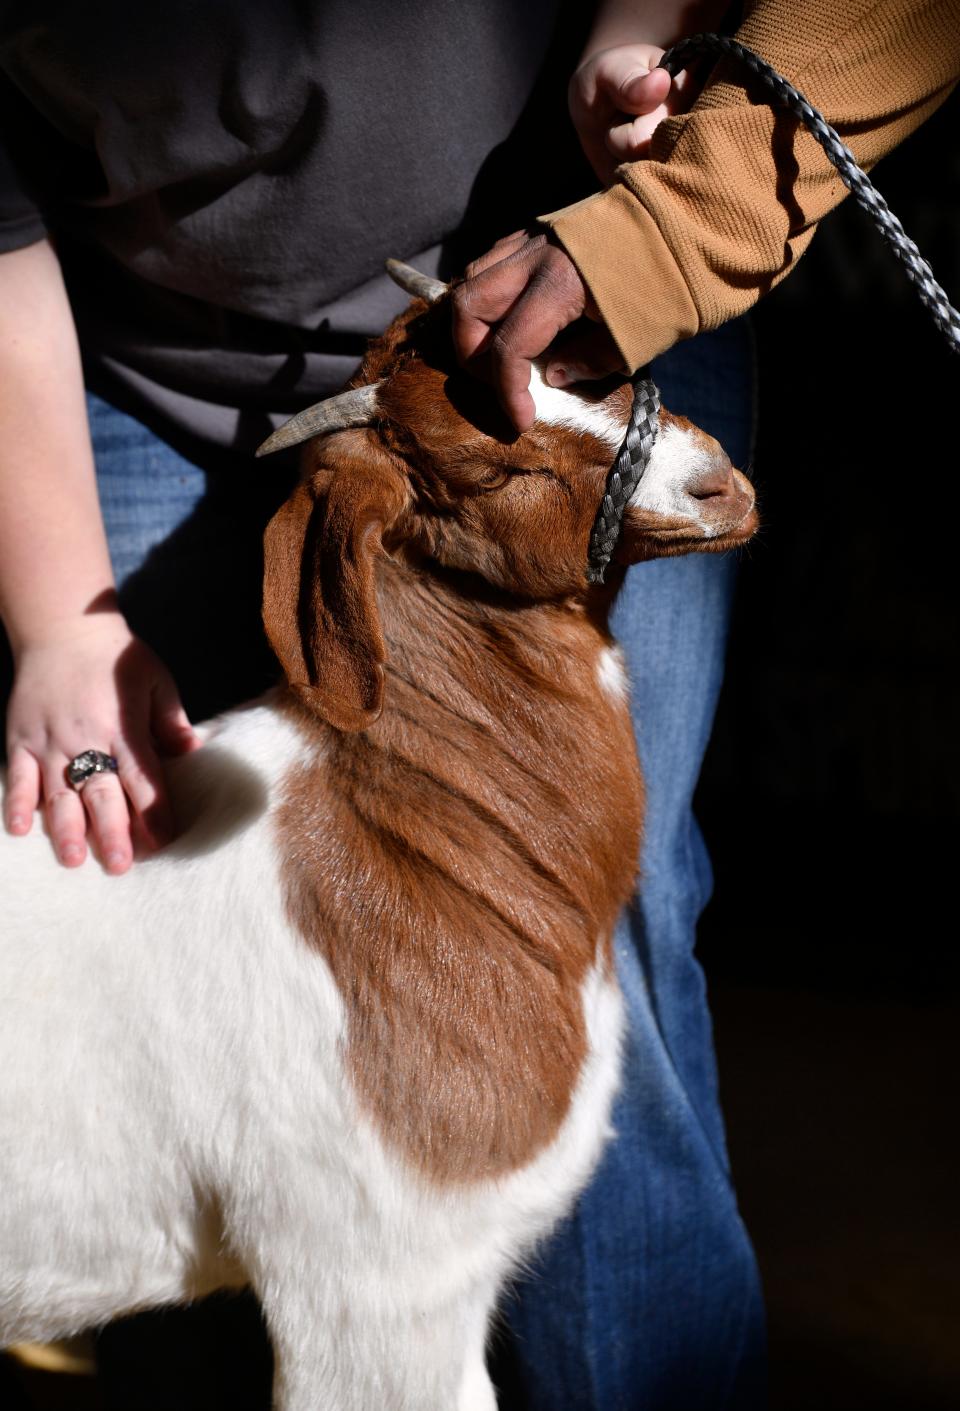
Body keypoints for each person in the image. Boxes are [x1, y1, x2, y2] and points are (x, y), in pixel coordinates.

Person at [1, 2, 956, 1407]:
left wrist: (643, 39)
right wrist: (62, 614)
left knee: (578, 933)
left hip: (568, 316)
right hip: (145, 357)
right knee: (156, 919)